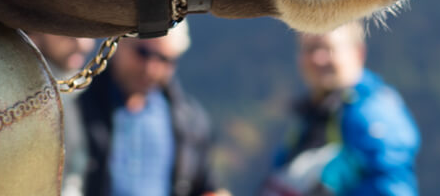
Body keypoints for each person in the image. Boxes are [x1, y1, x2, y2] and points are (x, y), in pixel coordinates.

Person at [260, 21, 421, 196]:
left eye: (327, 48)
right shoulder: (312, 117)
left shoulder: (372, 109)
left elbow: (390, 180)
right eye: (309, 49)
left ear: (358, 53)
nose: (317, 58)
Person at [75, 20, 226, 196]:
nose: (151, 69)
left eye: (164, 59)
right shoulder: (76, 107)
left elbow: (207, 185)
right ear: (116, 45)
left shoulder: (190, 120)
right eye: (143, 53)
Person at [27, 32, 97, 196]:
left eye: (89, 33)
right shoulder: (19, 96)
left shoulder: (79, 90)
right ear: (36, 30)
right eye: (70, 32)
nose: (83, 45)